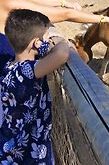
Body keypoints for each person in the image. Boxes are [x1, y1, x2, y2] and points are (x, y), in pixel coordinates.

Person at [0, 9, 71, 164]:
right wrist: (61, 42)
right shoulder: (26, 72)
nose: (48, 40)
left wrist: (44, 45)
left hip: (17, 146)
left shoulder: (9, 66)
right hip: (26, 153)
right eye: (46, 37)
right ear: (36, 43)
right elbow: (62, 55)